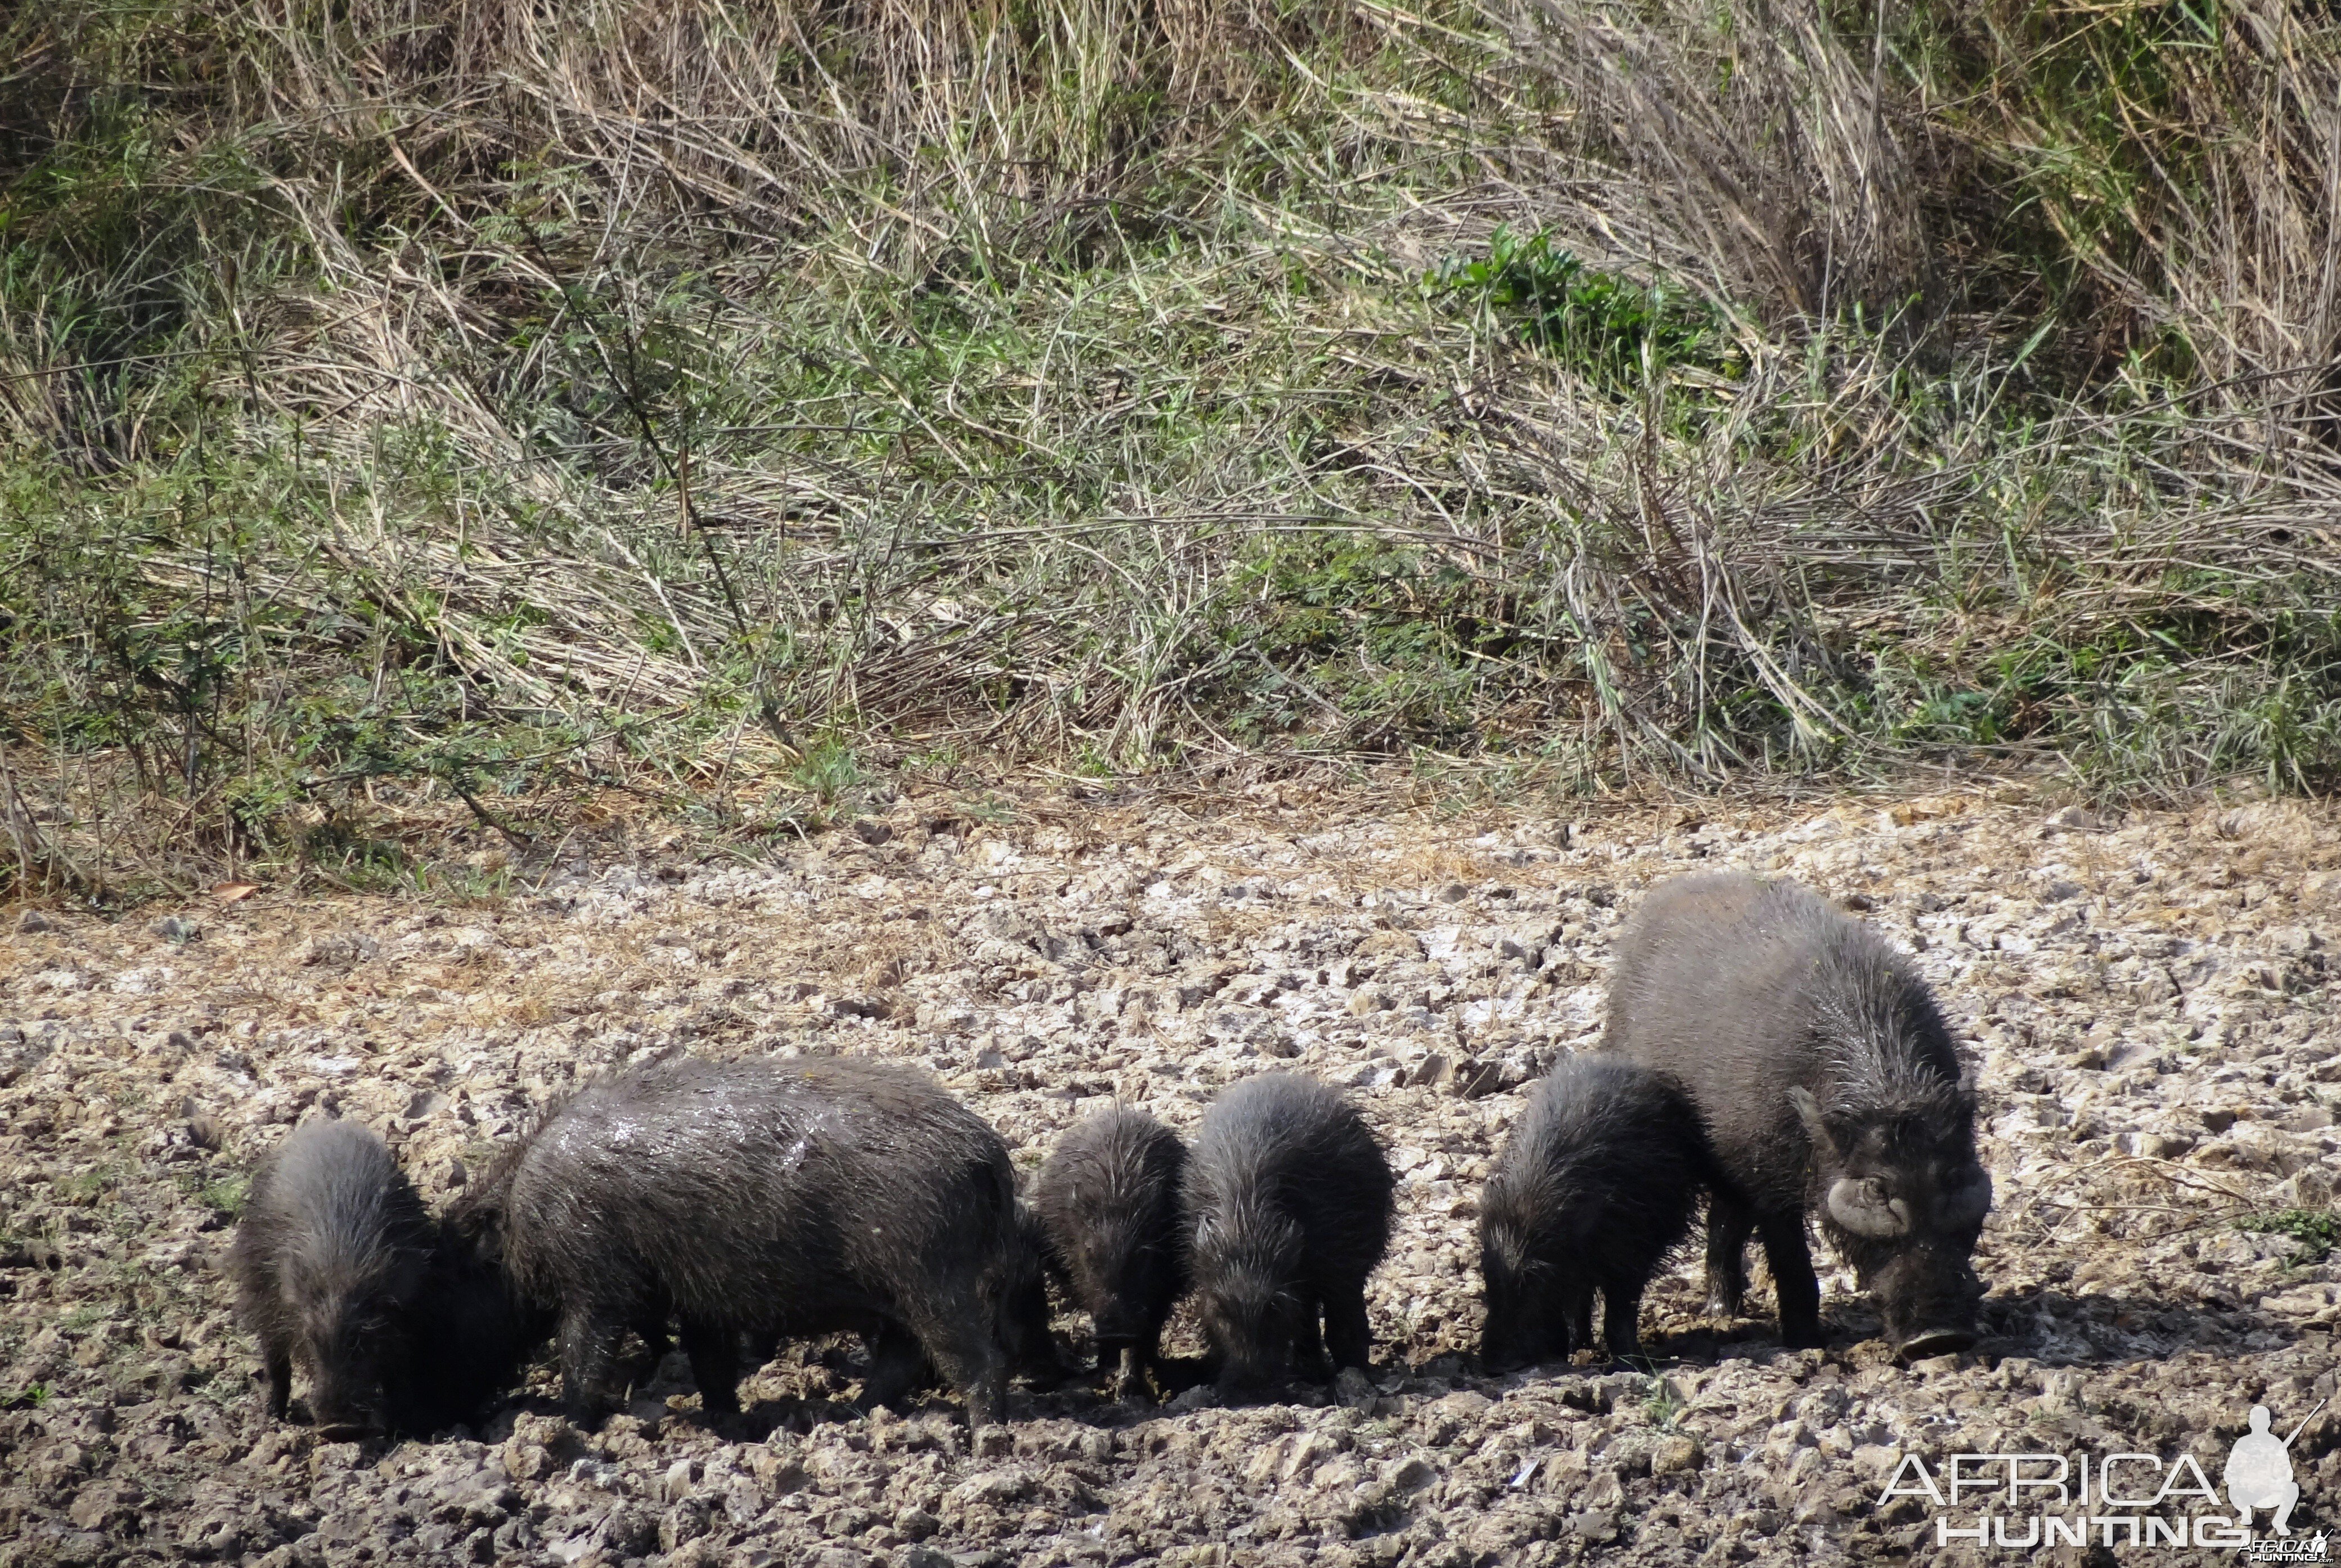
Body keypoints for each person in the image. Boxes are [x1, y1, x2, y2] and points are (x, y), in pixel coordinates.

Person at [2226, 1405, 2302, 1536]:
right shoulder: (2242, 1443)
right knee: (2233, 1487)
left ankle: (2280, 1521)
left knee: (2293, 1488)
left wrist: (2275, 1476)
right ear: (2250, 1423)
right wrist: (2245, 1481)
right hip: (2248, 1492)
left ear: (2268, 1423)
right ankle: (2246, 1512)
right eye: (2256, 1421)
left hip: (2270, 1491)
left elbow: (2287, 1474)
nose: (2259, 1425)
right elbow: (2230, 1473)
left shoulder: (2276, 1443)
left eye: (2262, 1421)